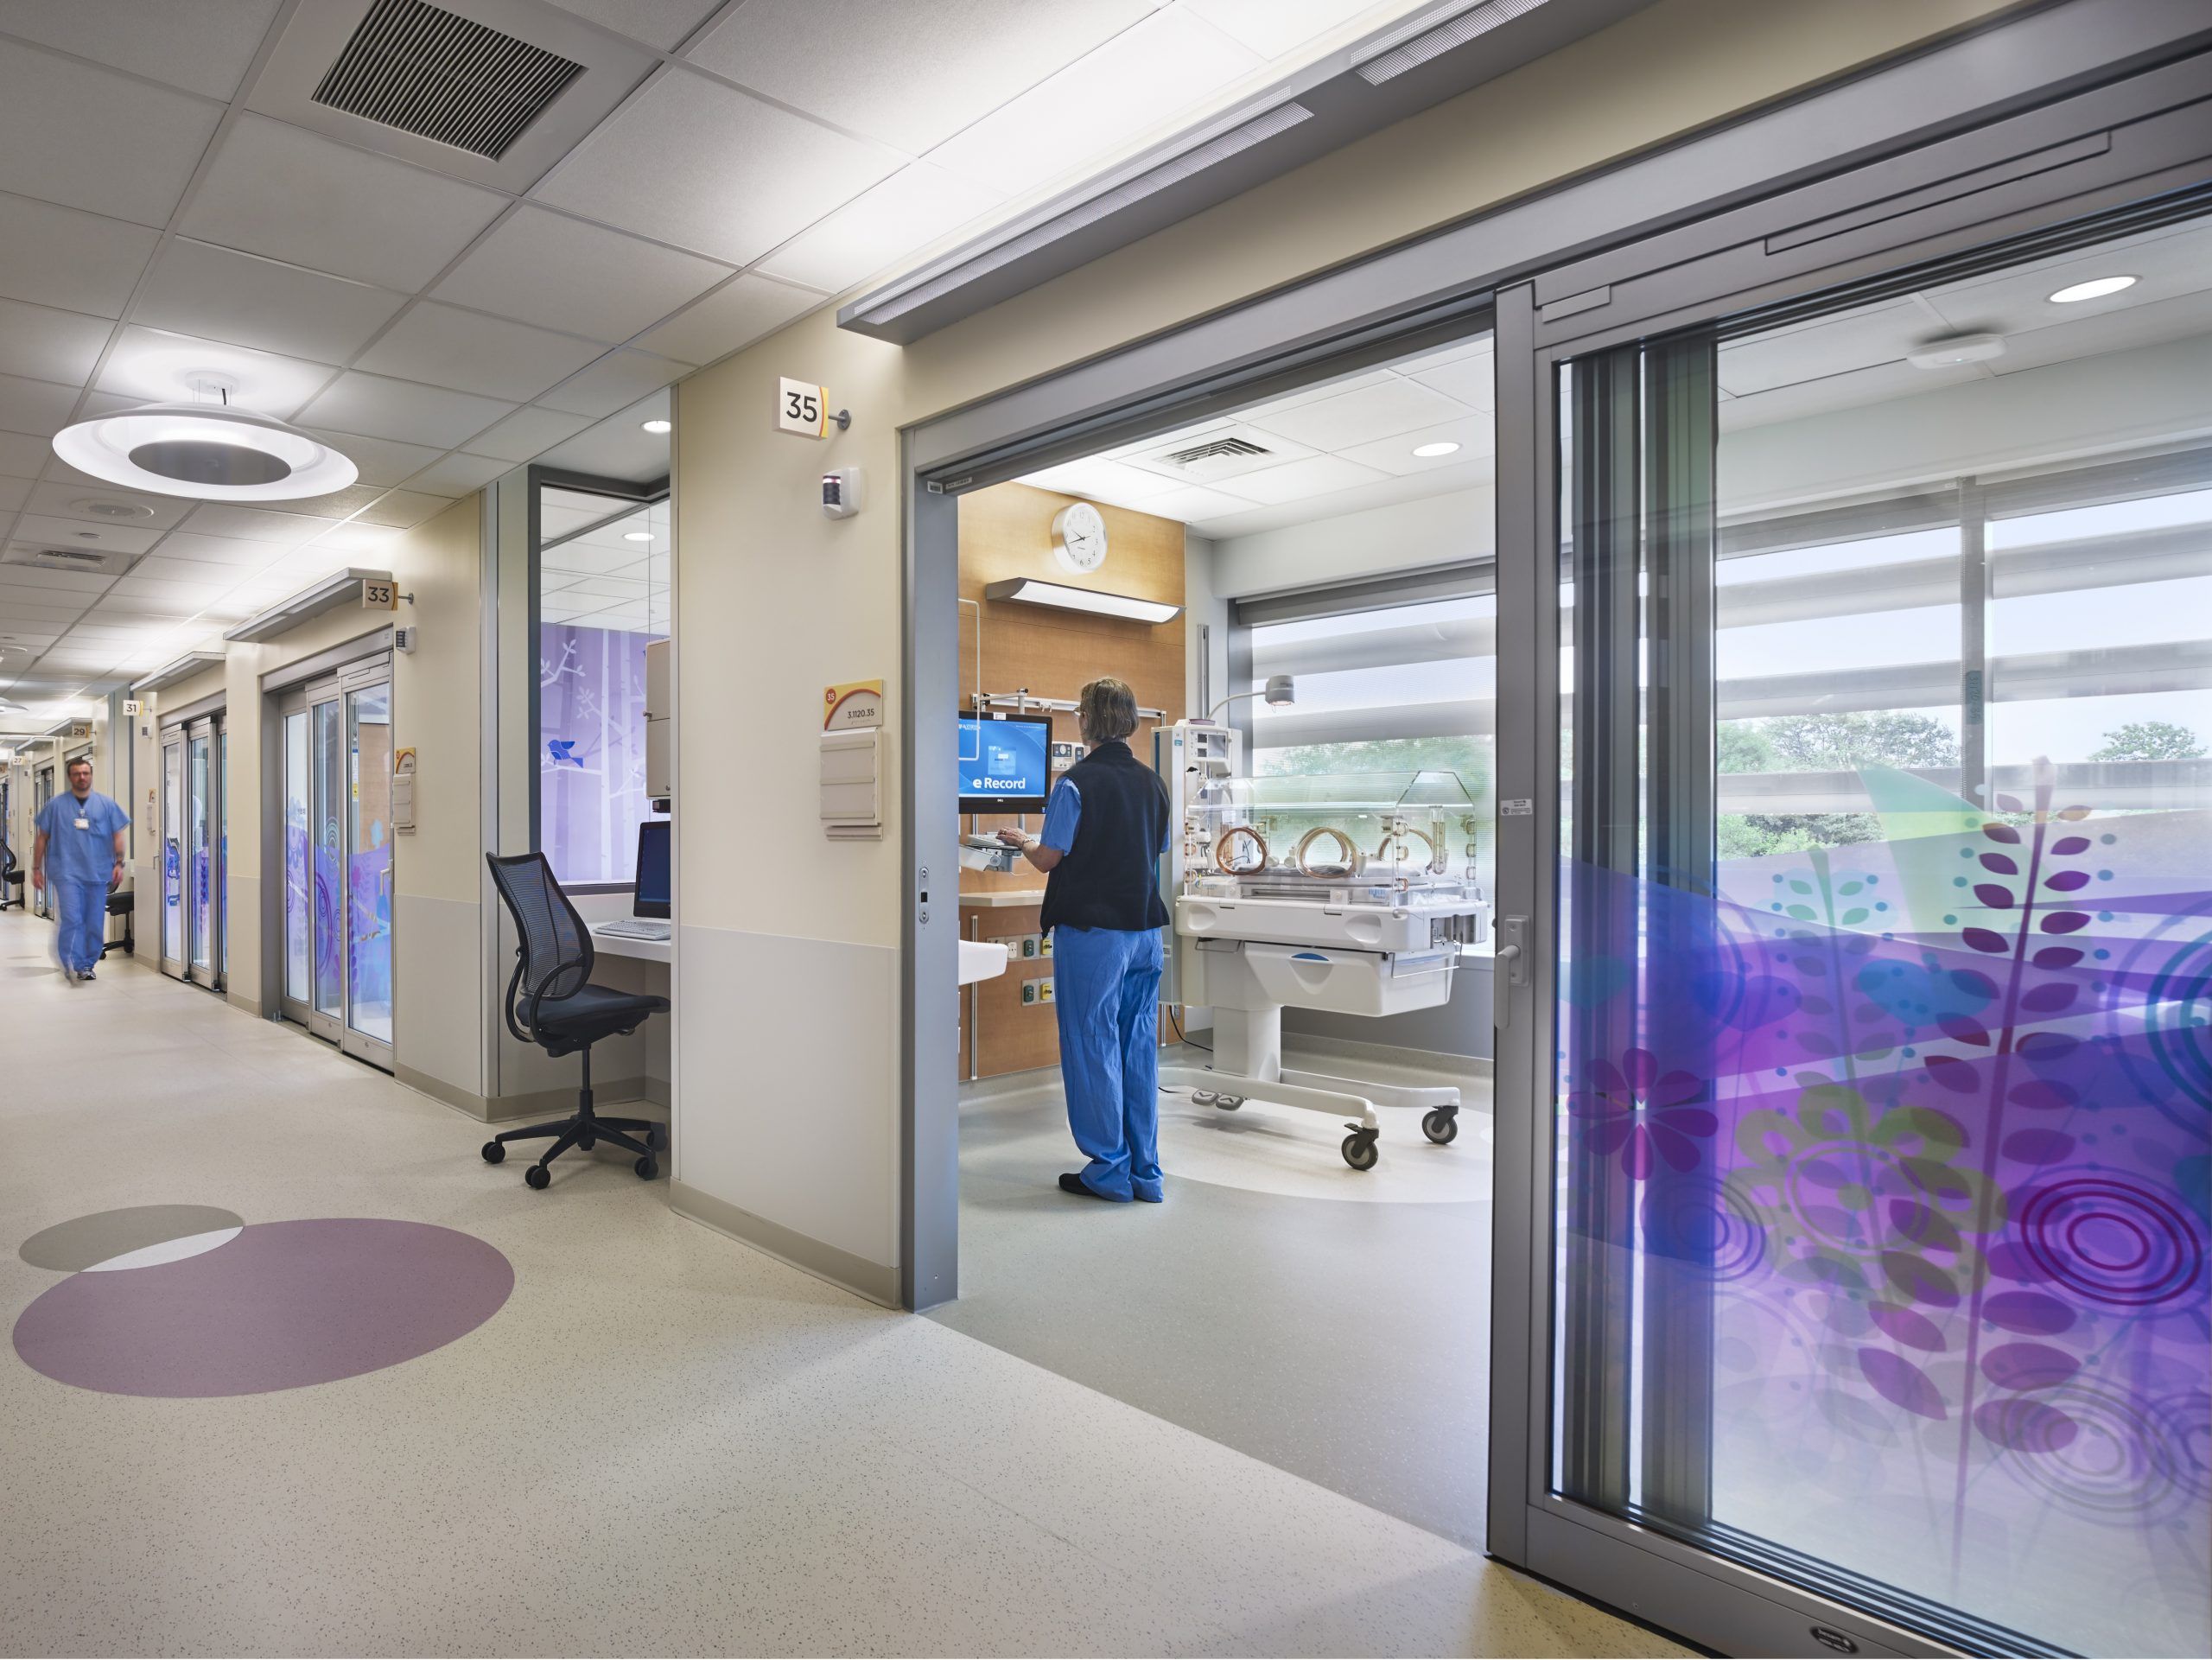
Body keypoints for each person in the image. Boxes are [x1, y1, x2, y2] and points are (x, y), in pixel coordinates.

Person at [1000, 677, 1172, 1203]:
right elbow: (1157, 847)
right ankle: (1146, 1171)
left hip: (1095, 936)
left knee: (1091, 1039)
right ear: (1131, 720)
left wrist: (1024, 839)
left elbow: (1050, 857)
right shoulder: (1155, 783)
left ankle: (1108, 1170)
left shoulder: (1073, 784)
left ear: (1085, 721)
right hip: (1144, 934)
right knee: (1137, 1043)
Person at [33, 756, 128, 983]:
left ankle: (86, 964)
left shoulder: (106, 805)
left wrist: (119, 863)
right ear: (70, 777)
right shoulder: (55, 806)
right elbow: (42, 838)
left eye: (85, 773)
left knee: (94, 921)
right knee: (73, 918)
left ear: (91, 775)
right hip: (66, 873)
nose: (82, 777)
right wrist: (36, 868)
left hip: (97, 874)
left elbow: (118, 835)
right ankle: (71, 958)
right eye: (77, 773)